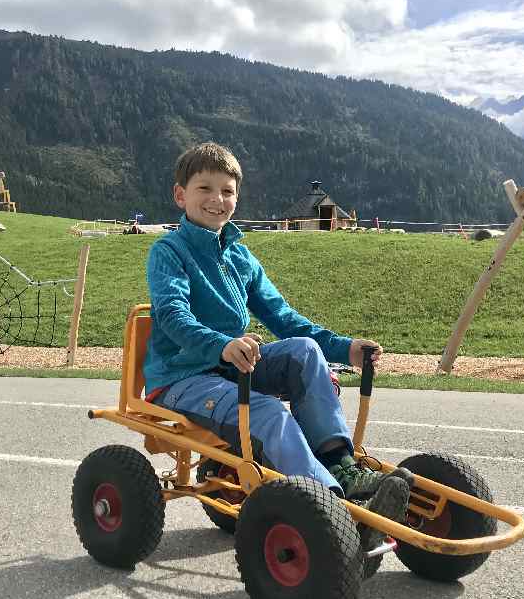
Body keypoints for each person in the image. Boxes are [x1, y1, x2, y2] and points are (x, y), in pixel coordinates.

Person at [144, 142, 412, 547]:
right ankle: (333, 512)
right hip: (182, 377)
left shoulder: (239, 256)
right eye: (205, 188)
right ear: (181, 195)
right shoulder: (169, 252)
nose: (217, 199)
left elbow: (284, 319)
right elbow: (172, 316)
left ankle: (342, 470)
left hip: (230, 367)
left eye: (228, 191)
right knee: (267, 411)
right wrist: (221, 344)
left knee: (304, 348)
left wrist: (345, 349)